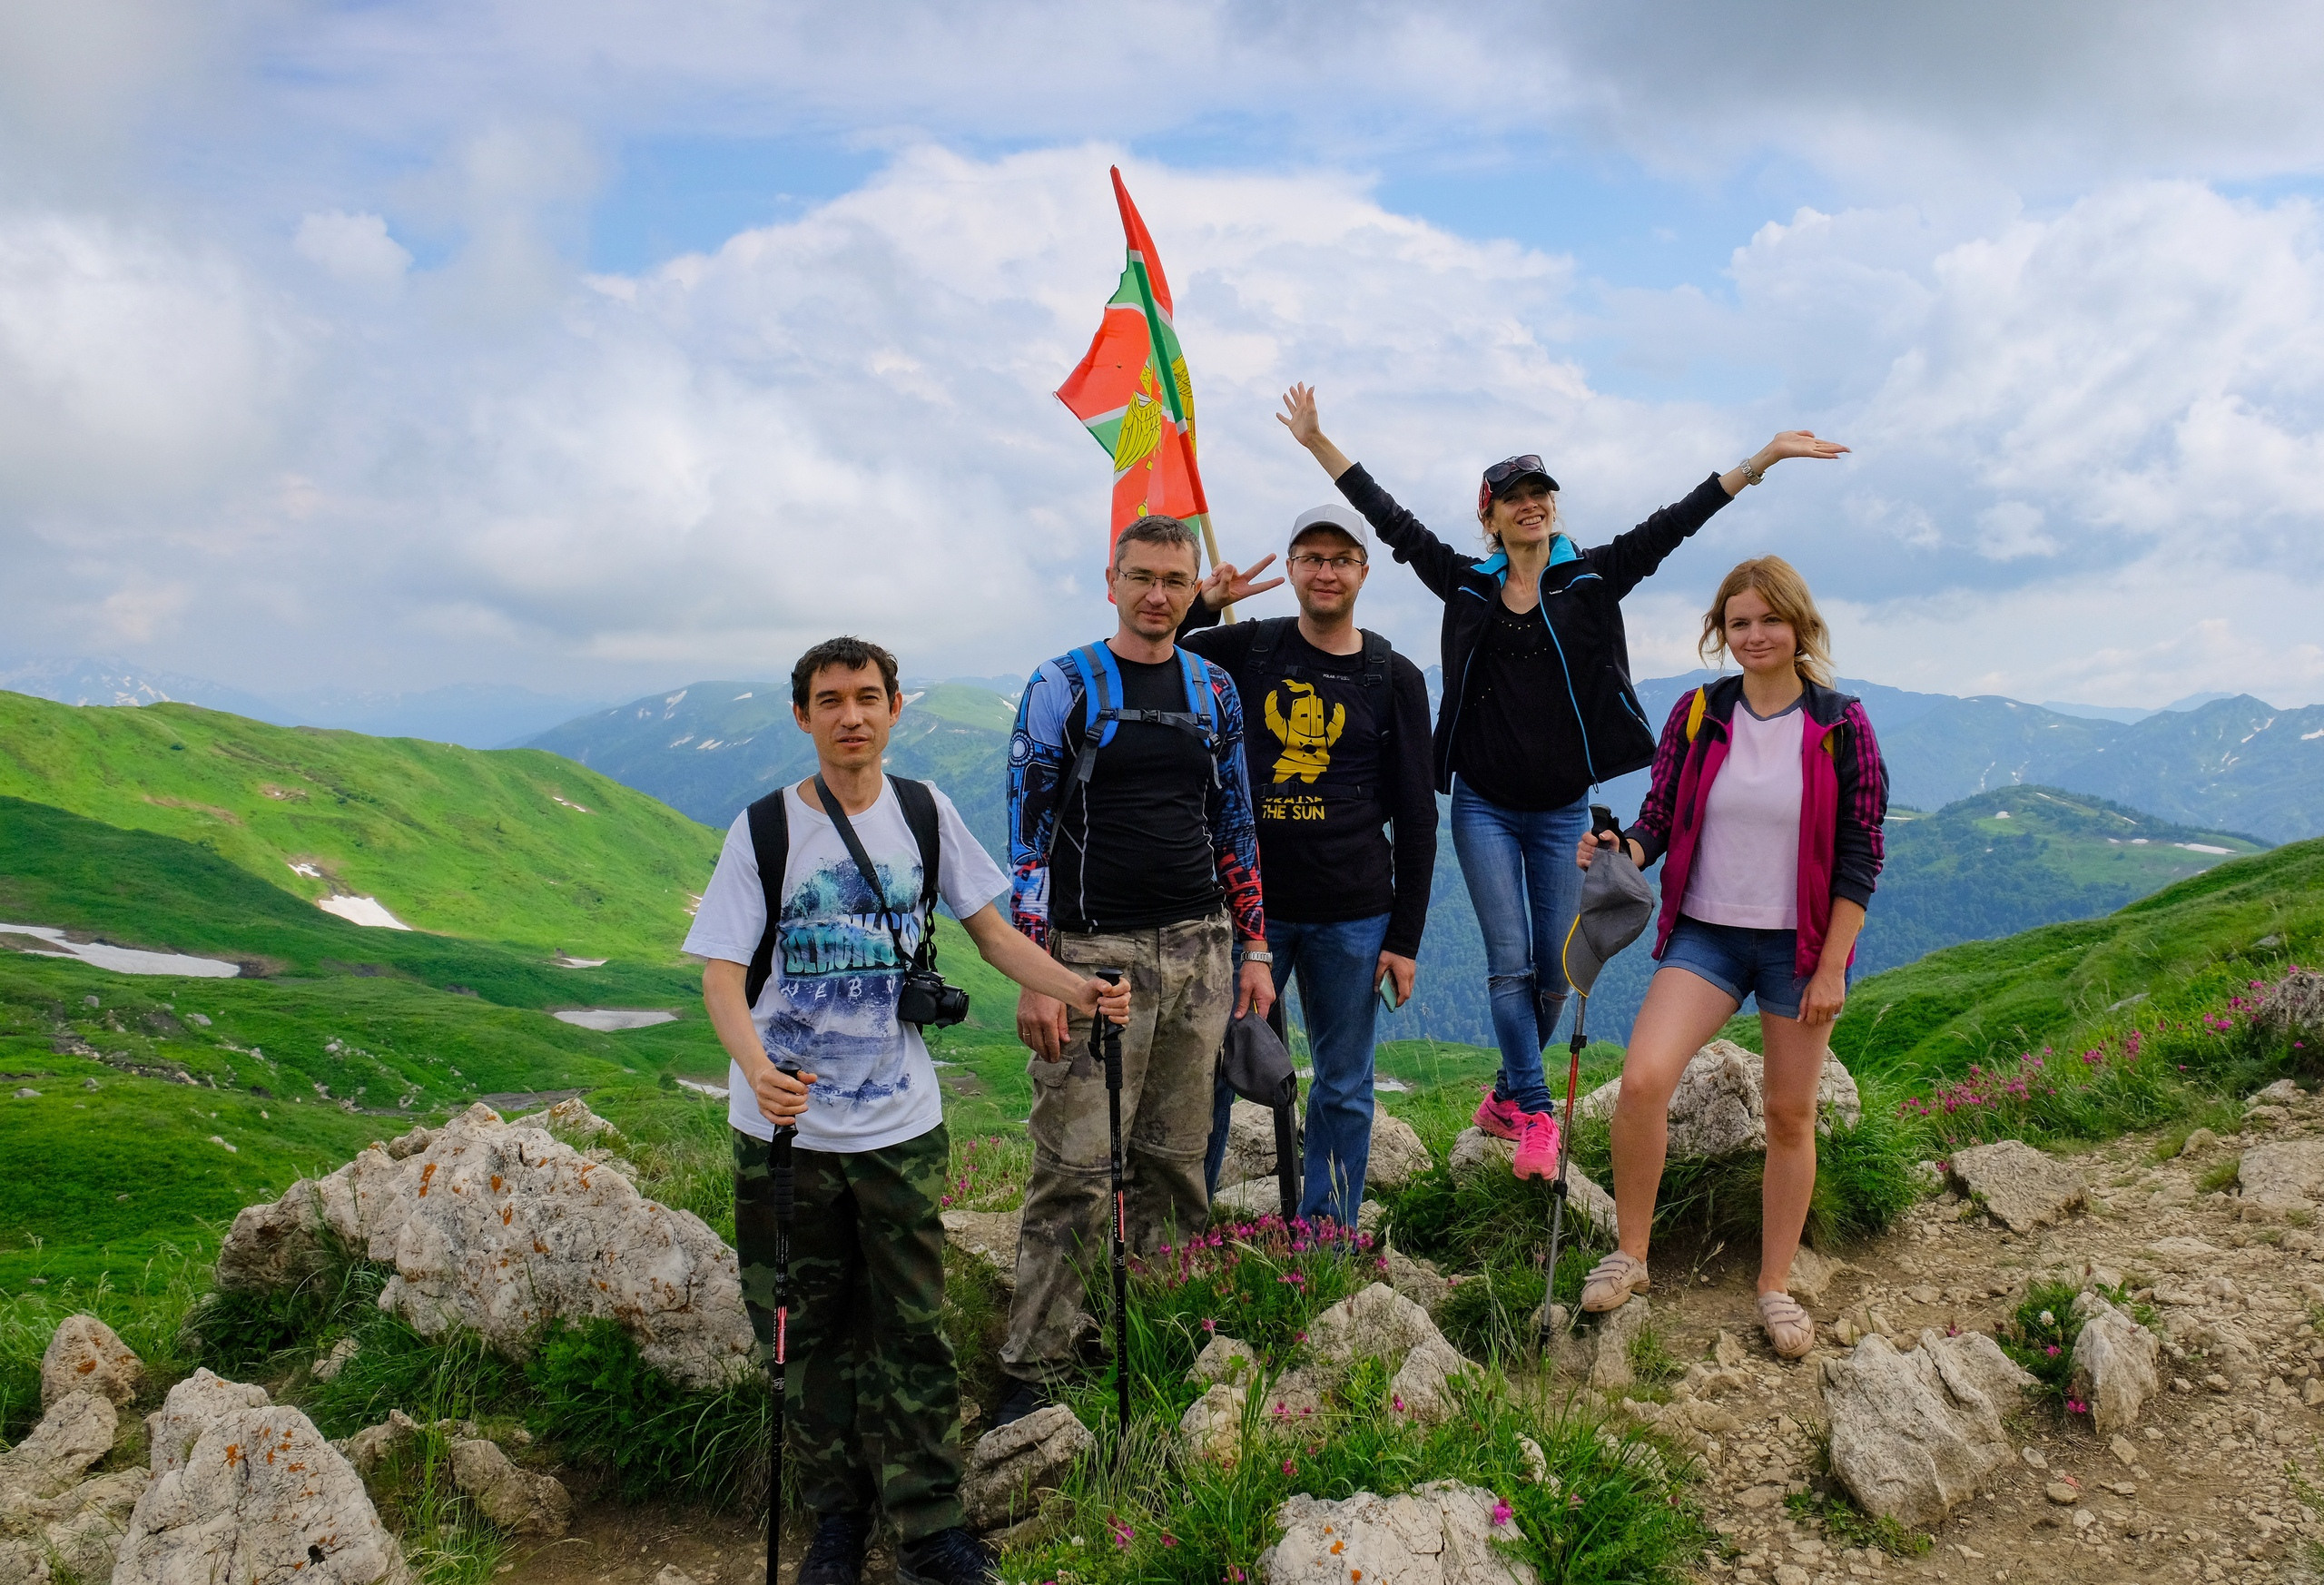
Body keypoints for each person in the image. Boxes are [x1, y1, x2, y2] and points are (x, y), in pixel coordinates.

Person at [1278, 382, 1847, 1180]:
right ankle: (1539, 1114)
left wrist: (1763, 460)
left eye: (1541, 493)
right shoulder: (1466, 583)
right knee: (1509, 964)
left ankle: (1506, 1095)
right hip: (1482, 805)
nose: (1531, 505)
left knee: (1555, 974)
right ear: (1490, 516)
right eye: (1514, 496)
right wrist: (1316, 441)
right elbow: (1390, 519)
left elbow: (1676, 523)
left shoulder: (1592, 579)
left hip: (1559, 811)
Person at [687, 636, 1131, 1585]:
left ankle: (929, 1527)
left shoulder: (924, 813)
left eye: (867, 697)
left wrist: (1080, 990)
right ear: (802, 716)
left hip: (899, 1128)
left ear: (895, 707)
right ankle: (836, 1525)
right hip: (785, 1133)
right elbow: (721, 977)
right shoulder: (762, 830)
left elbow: (992, 934)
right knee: (805, 1331)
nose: (850, 715)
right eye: (829, 699)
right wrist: (757, 1070)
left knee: (913, 1328)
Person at [1572, 558, 1887, 1358]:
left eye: (1769, 620)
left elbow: (1861, 855)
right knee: (1642, 1080)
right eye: (1739, 622)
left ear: (1799, 626)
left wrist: (1831, 968)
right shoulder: (1699, 713)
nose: (1754, 635)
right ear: (1722, 631)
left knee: (1789, 1114)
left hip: (1799, 946)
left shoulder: (1841, 725)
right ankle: (1633, 1253)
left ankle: (1774, 1284)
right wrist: (1621, 851)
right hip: (1707, 933)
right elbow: (1659, 817)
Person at [997, 514, 1273, 1423]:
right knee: (1075, 1168)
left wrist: (1254, 945)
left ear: (1194, 588)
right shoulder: (1062, 685)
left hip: (1199, 946)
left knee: (1176, 1163)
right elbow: (1028, 839)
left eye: (1174, 579)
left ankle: (1154, 1338)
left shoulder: (1215, 689)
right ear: (1110, 582)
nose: (1158, 594)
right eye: (1142, 577)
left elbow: (1235, 823)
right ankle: (1035, 1370)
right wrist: (1037, 972)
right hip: (1091, 957)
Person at [1175, 504, 1437, 1226]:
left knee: (1345, 1085)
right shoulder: (1248, 648)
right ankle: (1187, 1233)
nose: (1326, 572)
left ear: (1363, 572)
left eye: (1341, 559)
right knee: (1214, 1071)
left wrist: (1404, 937)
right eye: (1312, 558)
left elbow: (1417, 815)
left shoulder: (1394, 676)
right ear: (1291, 569)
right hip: (1245, 909)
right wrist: (1205, 603)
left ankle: (1325, 1237)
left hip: (1355, 912)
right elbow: (1157, 645)